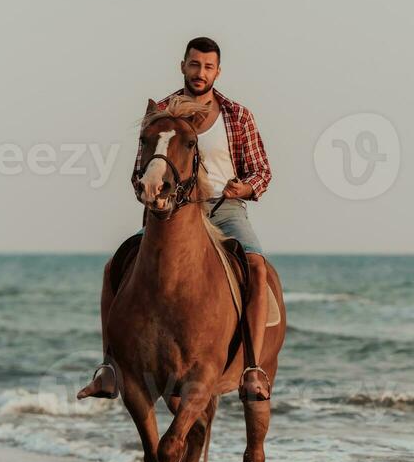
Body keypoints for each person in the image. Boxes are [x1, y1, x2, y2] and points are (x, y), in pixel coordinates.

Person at [77, 35, 273, 402]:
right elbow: (139, 171)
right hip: (171, 209)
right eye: (194, 64)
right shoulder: (161, 113)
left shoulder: (237, 115)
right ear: (182, 65)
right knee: (113, 268)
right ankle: (109, 367)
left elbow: (261, 172)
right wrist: (147, 191)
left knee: (257, 267)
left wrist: (241, 188)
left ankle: (252, 367)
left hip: (223, 207)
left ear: (218, 71)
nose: (200, 73)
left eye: (208, 66)